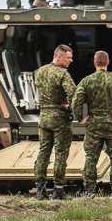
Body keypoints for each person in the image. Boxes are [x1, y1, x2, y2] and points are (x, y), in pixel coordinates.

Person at [72, 50, 112, 197]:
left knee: (91, 157)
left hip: (94, 123)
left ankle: (90, 190)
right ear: (108, 62)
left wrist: (80, 117)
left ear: (94, 63)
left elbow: (77, 101)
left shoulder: (86, 81)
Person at [33, 44, 76, 200]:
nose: (71, 60)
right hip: (59, 117)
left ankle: (40, 189)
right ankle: (58, 191)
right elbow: (73, 95)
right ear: (59, 57)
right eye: (68, 58)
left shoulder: (39, 72)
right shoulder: (63, 75)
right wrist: (72, 110)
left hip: (43, 116)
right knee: (60, 154)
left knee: (43, 152)